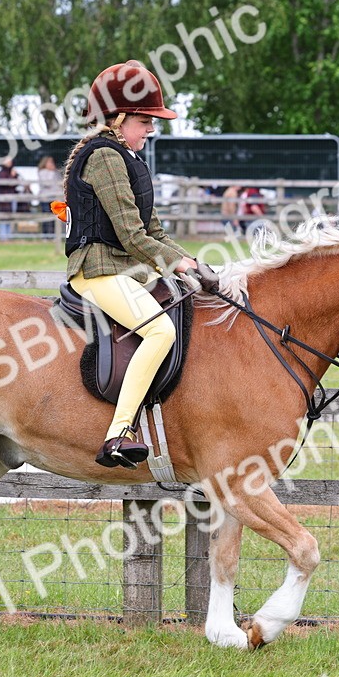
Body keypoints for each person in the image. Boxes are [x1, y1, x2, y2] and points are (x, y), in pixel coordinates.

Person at [62, 59, 217, 468]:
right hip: (96, 271)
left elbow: (156, 234)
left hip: (126, 270)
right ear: (118, 117)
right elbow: (132, 236)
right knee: (160, 332)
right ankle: (118, 433)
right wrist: (178, 266)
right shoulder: (104, 158)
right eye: (145, 120)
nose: (150, 129)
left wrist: (191, 262)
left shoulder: (131, 160)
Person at [0, 157, 23, 241]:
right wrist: (12, 176)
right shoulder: (2, 173)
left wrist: (14, 176)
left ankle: (9, 236)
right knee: (4, 217)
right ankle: (3, 237)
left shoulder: (13, 172)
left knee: (11, 217)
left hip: (12, 198)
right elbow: (5, 184)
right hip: (4, 199)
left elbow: (16, 183)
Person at [37, 156, 61, 236]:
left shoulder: (55, 172)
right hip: (45, 198)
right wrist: (51, 172)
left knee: (54, 218)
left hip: (54, 198)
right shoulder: (42, 172)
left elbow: (59, 183)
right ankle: (45, 235)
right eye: (49, 162)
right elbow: (47, 184)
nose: (51, 164)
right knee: (46, 217)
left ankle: (53, 235)